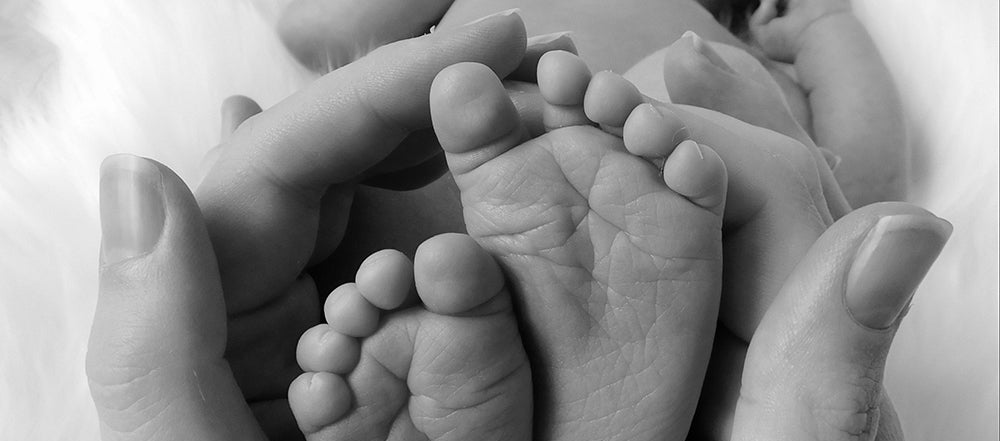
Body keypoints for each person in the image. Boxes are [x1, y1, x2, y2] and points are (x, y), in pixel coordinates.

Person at [88, 14, 951, 441]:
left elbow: (325, 43)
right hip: (687, 212)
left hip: (470, 174)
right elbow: (856, 135)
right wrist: (826, 28)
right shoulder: (727, 43)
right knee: (835, 190)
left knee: (400, 200)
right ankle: (558, 417)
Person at [279, 0, 907, 208]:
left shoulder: (733, 45)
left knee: (710, 95)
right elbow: (315, 27)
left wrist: (826, 24)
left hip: (672, 174)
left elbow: (869, 182)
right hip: (443, 169)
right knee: (361, 122)